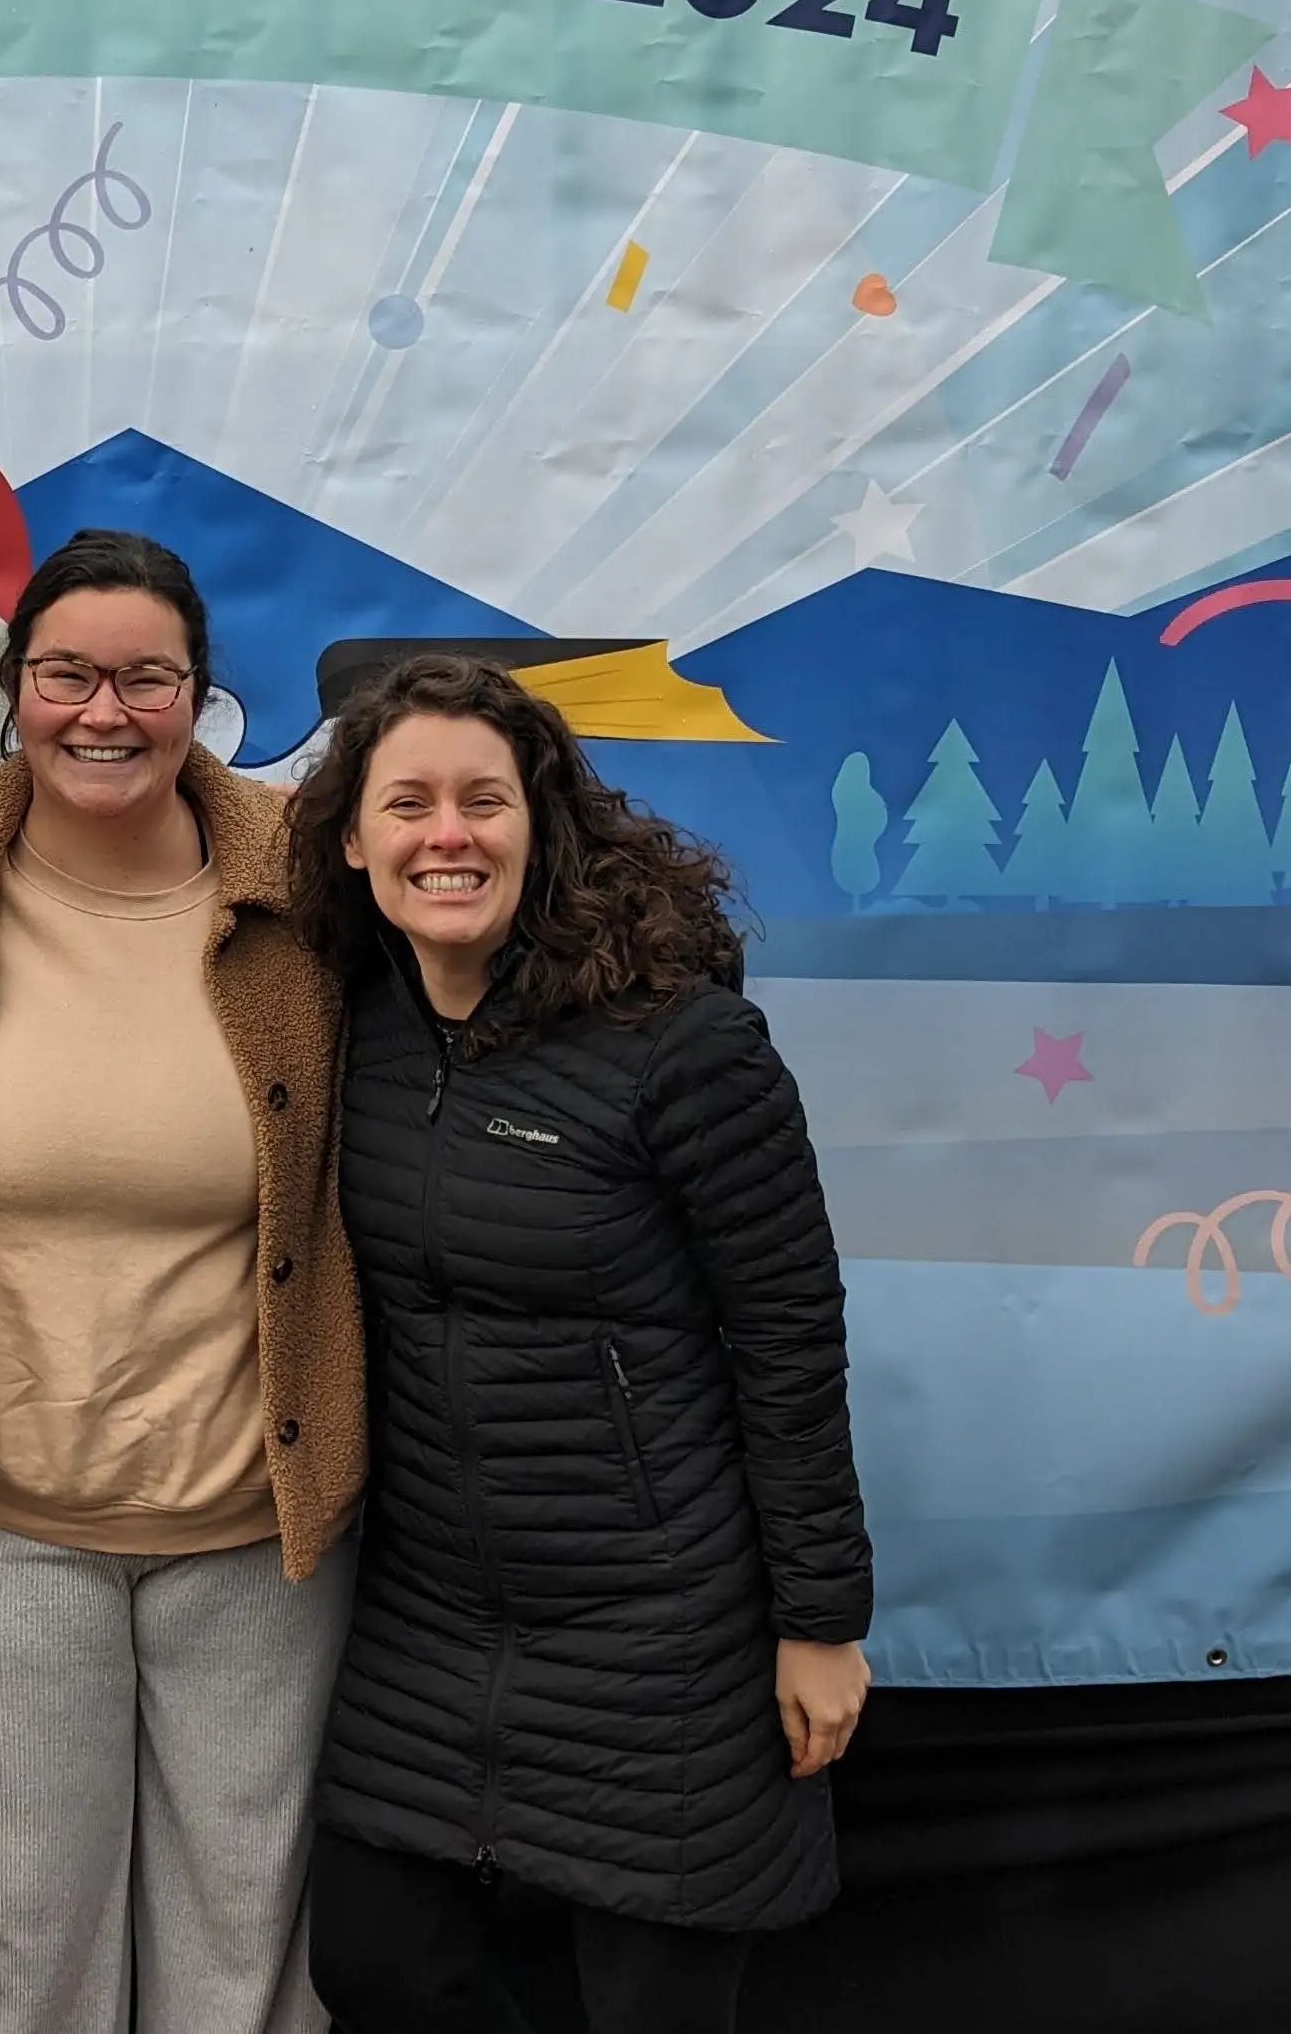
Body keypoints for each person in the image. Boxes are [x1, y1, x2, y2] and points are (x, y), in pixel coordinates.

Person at [282, 654, 870, 2034]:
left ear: (542, 827)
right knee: (373, 1964)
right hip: (429, 1620)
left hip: (663, 1633)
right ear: (352, 838)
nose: (447, 835)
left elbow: (789, 1337)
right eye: (408, 803)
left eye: (484, 802)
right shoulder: (343, 1027)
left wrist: (820, 1621)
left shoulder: (683, 1045)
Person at [0, 529, 364, 2034]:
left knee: (250, 1939)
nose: (105, 711)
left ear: (199, 693)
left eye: (147, 677)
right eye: (67, 674)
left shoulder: (312, 889)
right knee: (16, 1947)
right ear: (13, 690)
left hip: (262, 1522)